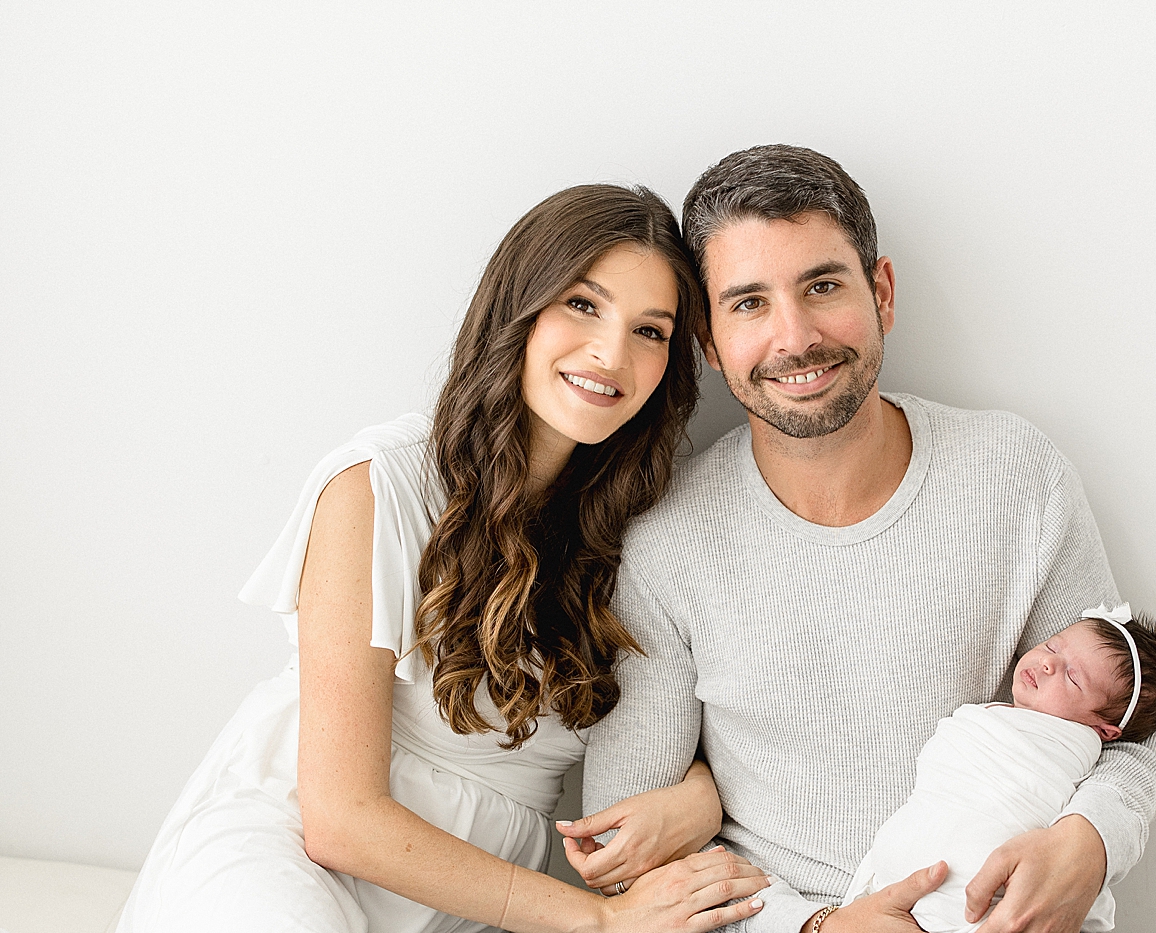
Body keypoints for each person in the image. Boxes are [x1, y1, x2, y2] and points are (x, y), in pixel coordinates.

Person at [117, 185, 771, 933]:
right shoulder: (380, 484)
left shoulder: (643, 537)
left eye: (650, 331)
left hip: (464, 901)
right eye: (583, 305)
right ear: (517, 308)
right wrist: (598, 921)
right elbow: (340, 817)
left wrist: (702, 793)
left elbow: (693, 717)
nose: (610, 353)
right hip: (287, 853)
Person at [566, 145, 1156, 933]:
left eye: (822, 286)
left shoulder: (1016, 474)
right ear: (710, 344)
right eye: (749, 303)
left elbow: (1130, 723)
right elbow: (633, 866)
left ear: (882, 291)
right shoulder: (664, 544)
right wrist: (817, 927)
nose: (796, 337)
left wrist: (1090, 841)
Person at [844, 604, 1156, 932]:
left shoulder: (1067, 747)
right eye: (1052, 646)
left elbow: (1144, 755)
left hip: (990, 897)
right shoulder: (993, 720)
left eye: (1073, 678)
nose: (1048, 664)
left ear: (1104, 731)